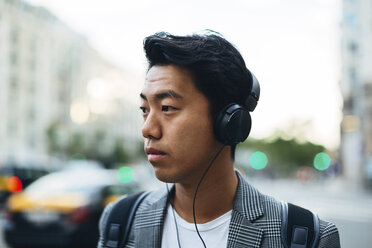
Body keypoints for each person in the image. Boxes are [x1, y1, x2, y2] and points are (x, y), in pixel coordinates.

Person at [98, 31, 340, 248]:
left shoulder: (305, 237)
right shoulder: (120, 221)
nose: (148, 128)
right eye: (144, 109)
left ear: (229, 121)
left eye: (168, 107)